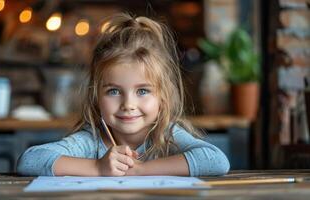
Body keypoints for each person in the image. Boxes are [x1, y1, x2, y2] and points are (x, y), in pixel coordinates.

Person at [17, 13, 230, 177]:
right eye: (114, 91)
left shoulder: (168, 135)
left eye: (143, 91)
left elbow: (216, 161)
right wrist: (98, 167)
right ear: (96, 96)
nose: (128, 104)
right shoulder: (91, 140)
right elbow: (29, 160)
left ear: (163, 97)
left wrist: (140, 170)